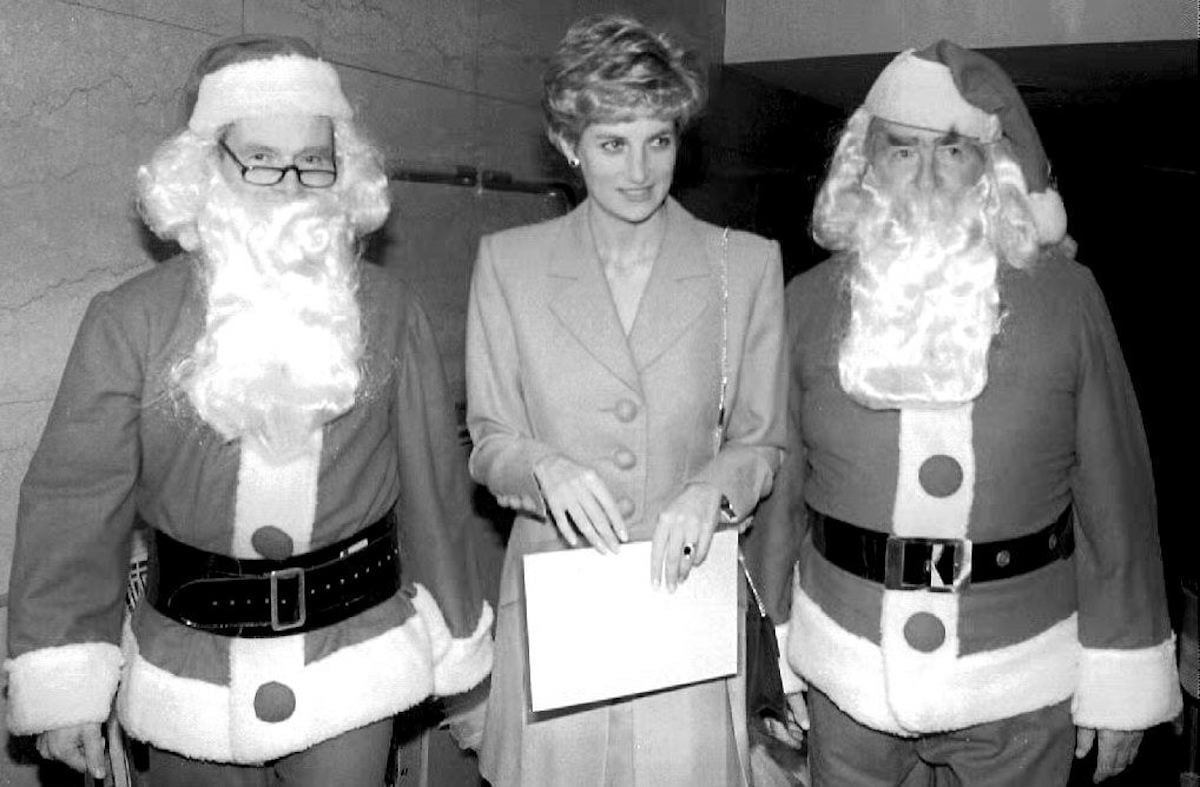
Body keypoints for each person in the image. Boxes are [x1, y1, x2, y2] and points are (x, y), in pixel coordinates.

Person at [4, 34, 493, 785]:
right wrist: (65, 684)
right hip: (188, 675)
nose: (292, 184)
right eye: (261, 158)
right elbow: (74, 506)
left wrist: (461, 648)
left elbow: (434, 492)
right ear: (207, 167)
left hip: (352, 665)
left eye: (313, 159)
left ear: (343, 169)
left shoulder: (391, 311)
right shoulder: (129, 319)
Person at [746, 39, 1183, 786]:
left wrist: (1121, 686)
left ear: (990, 168)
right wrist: (768, 656)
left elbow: (1117, 501)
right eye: (901, 150)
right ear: (866, 164)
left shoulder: (1068, 298)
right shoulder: (807, 301)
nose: (923, 175)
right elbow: (778, 494)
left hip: (1016, 682)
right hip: (845, 673)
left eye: (951, 151)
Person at [464, 14, 787, 786]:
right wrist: (543, 467)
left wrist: (712, 489)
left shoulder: (741, 265)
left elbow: (761, 442)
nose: (639, 169)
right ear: (571, 145)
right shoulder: (509, 265)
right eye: (613, 143)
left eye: (659, 140)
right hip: (557, 599)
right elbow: (490, 440)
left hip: (683, 597)